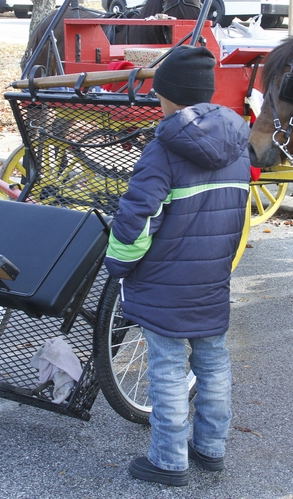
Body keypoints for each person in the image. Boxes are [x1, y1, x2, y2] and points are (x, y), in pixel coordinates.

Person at [105, 45, 250, 487]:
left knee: (167, 367)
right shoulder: (238, 145)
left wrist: (118, 263)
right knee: (213, 361)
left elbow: (136, 220)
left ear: (166, 95)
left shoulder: (162, 149)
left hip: (165, 281)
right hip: (211, 278)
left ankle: (168, 459)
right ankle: (210, 448)